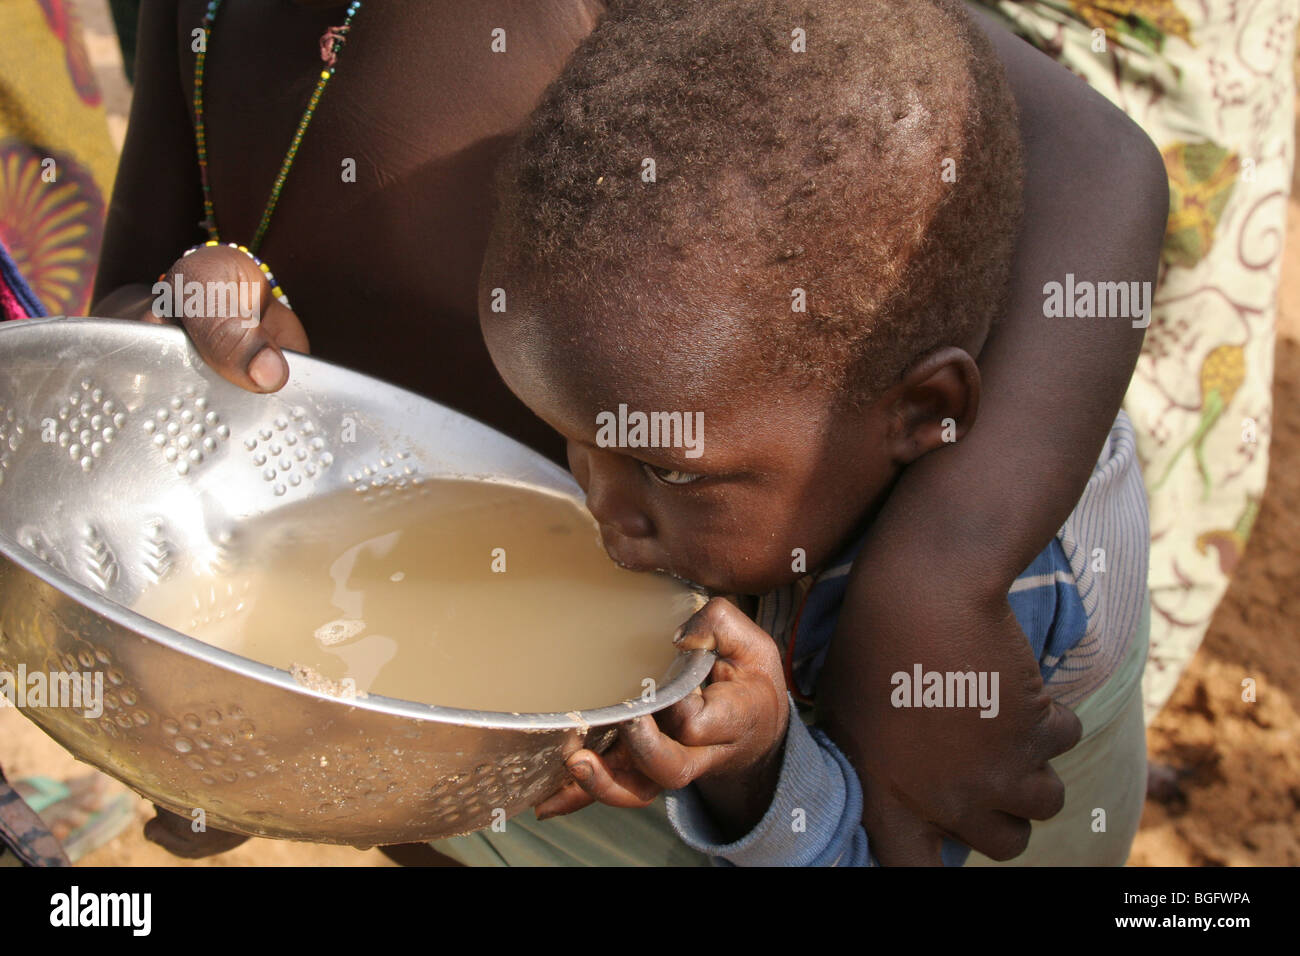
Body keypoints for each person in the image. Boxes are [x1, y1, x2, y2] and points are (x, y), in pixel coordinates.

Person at [94, 0, 1165, 863]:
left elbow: (1099, 163)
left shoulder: (973, 589)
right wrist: (186, 330)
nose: (602, 516)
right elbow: (147, 267)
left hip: (848, 667)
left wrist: (937, 578)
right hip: (506, 662)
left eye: (651, 460)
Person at [426, 0, 1155, 866]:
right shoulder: (775, 410)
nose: (603, 515)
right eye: (573, 440)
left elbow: (879, 851)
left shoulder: (1007, 615)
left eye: (668, 471)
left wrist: (763, 772)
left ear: (923, 415)